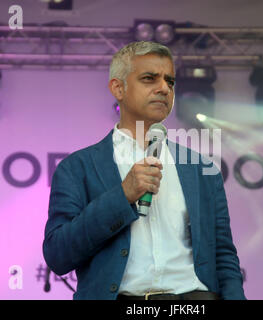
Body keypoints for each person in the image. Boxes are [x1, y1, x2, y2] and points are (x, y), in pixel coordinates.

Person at [43, 41, 246, 300]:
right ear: (118, 88)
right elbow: (58, 255)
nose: (163, 88)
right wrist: (122, 195)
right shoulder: (77, 168)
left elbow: (224, 255)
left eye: (170, 82)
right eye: (150, 78)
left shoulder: (202, 168)